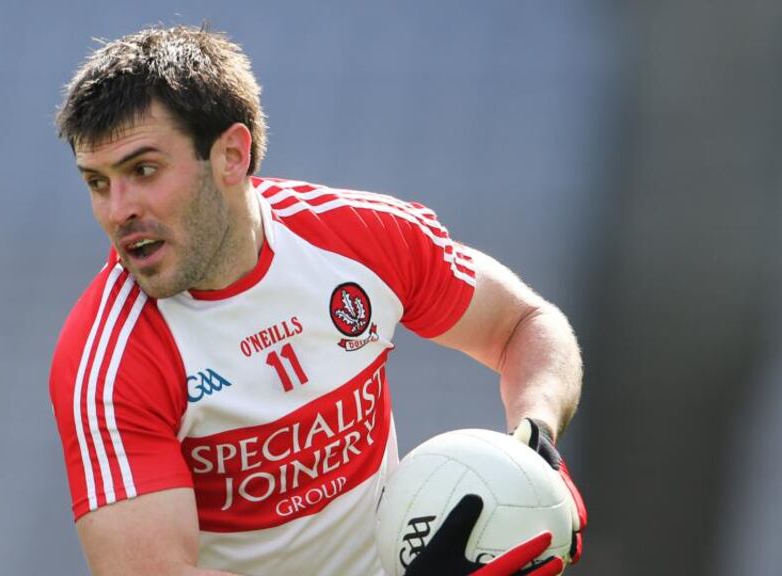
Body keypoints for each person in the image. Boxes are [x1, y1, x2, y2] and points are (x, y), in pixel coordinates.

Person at [48, 25, 586, 576]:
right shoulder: (107, 364)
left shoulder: (361, 238)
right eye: (97, 183)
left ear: (232, 154)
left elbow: (525, 323)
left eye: (143, 170)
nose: (118, 211)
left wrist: (535, 437)